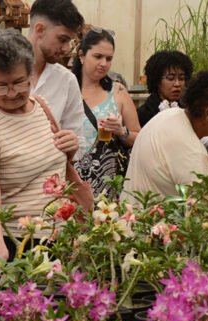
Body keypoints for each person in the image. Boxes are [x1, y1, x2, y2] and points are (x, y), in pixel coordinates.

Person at [0, 30, 74, 261]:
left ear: (31, 73)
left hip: (55, 238)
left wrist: (69, 150)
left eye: (18, 82)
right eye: (1, 86)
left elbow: (52, 165)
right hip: (13, 241)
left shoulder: (41, 106)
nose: (12, 93)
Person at [0, 0, 85, 158]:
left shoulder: (66, 80)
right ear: (40, 29)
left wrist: (72, 146)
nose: (67, 48)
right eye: (62, 39)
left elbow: (78, 142)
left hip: (54, 172)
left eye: (70, 42)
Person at [122, 71, 208, 200]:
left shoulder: (168, 116)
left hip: (130, 209)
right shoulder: (191, 152)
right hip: (152, 212)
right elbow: (203, 207)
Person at [72, 27, 141, 197]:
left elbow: (139, 137)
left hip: (108, 184)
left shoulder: (117, 91)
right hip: (71, 181)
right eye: (98, 56)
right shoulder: (66, 89)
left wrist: (121, 131)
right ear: (81, 55)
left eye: (109, 58)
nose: (104, 63)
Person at [136, 50, 193, 128]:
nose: (177, 84)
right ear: (157, 80)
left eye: (181, 78)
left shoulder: (189, 110)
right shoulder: (143, 114)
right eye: (170, 78)